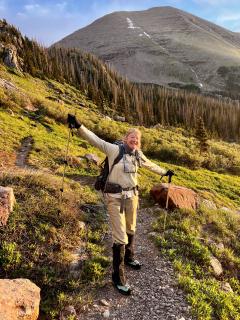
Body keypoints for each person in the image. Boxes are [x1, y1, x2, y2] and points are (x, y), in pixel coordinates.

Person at [67, 114, 174, 295]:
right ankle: (118, 277)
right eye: (132, 137)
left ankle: (130, 257)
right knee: (120, 236)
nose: (134, 140)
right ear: (126, 139)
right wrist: (79, 127)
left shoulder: (138, 154)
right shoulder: (114, 150)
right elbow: (96, 140)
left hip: (132, 196)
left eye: (137, 139)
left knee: (131, 227)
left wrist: (165, 171)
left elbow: (150, 165)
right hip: (114, 197)